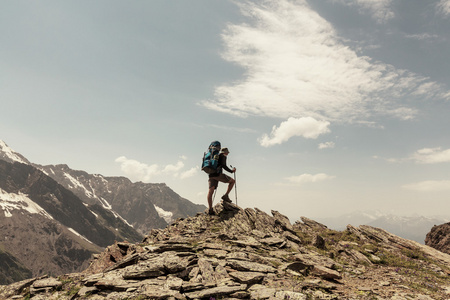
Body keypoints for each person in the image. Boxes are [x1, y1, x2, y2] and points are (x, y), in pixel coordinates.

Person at [207, 147, 236, 215]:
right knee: (232, 181)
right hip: (217, 174)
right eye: (227, 152)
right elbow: (224, 165)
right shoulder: (223, 156)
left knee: (210, 191)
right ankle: (225, 196)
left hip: (211, 175)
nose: (227, 154)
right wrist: (231, 171)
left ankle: (210, 209)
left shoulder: (215, 156)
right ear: (225, 152)